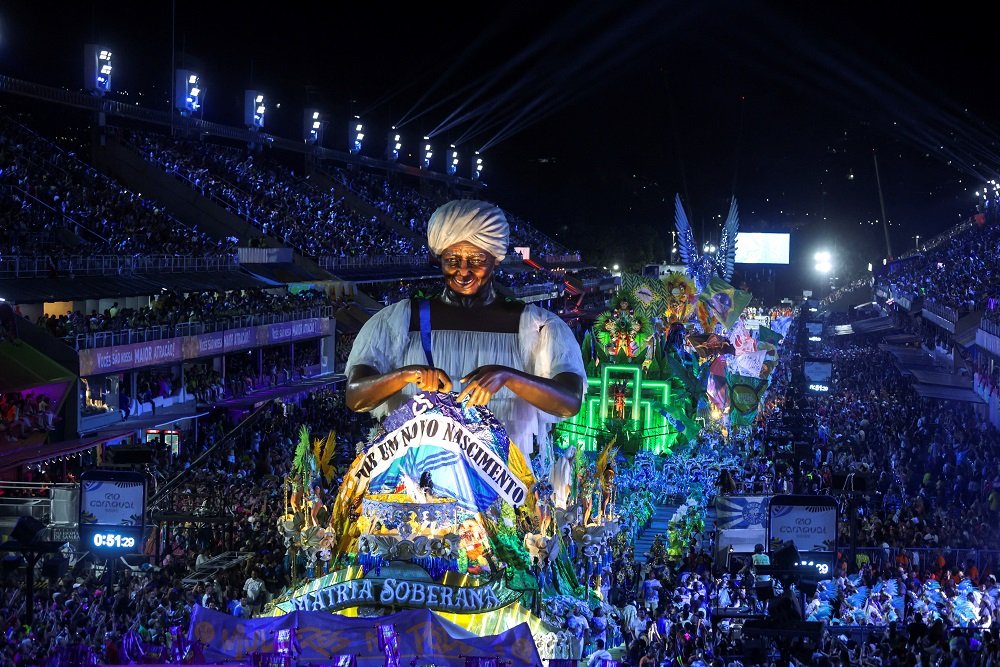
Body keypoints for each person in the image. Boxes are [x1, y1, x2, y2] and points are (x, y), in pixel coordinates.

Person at [345, 200, 586, 458]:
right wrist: (405, 375)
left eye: (476, 259)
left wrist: (508, 377)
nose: (463, 271)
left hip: (498, 486)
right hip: (418, 485)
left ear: (496, 260)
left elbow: (569, 402)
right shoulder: (399, 320)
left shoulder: (537, 326)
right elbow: (355, 397)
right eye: (452, 260)